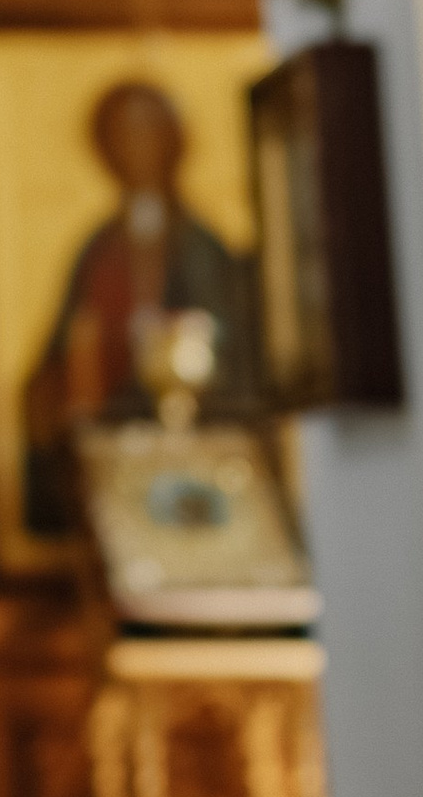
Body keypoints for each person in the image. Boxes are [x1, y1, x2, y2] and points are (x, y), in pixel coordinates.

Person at [21, 75, 259, 537]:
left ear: (172, 142)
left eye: (146, 132)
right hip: (114, 442)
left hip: (195, 448)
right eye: (121, 137)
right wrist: (49, 396)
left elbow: (234, 351)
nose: (135, 149)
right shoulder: (97, 248)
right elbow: (63, 348)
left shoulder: (200, 247)